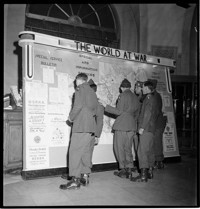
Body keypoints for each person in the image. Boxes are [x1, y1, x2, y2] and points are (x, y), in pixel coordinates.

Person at [60, 73, 98, 190]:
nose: (75, 82)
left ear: (79, 80)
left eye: (75, 80)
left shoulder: (80, 89)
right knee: (85, 153)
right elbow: (95, 110)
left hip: (81, 126)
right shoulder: (92, 92)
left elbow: (77, 106)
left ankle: (75, 181)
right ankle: (85, 177)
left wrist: (70, 118)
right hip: (90, 127)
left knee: (74, 152)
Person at [100, 79, 140, 179]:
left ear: (121, 88)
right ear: (129, 87)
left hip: (122, 126)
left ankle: (123, 170)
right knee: (128, 148)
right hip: (131, 126)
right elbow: (137, 114)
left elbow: (118, 111)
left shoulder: (122, 95)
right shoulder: (136, 97)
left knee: (119, 148)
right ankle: (130, 168)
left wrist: (106, 105)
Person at [131, 80, 160, 182]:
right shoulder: (154, 98)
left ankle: (143, 175)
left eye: (143, 87)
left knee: (142, 151)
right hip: (152, 129)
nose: (142, 89)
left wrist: (142, 127)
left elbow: (147, 114)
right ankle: (150, 172)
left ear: (147, 88)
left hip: (146, 129)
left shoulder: (148, 98)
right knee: (150, 151)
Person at [148, 79, 167, 169]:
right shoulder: (154, 95)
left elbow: (155, 111)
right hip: (156, 123)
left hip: (157, 123)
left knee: (157, 143)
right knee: (155, 143)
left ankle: (159, 162)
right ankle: (157, 161)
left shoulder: (155, 96)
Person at [88, 79, 104, 167]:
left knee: (85, 152)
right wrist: (97, 135)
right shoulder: (99, 103)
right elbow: (100, 120)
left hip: (87, 132)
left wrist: (97, 136)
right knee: (88, 152)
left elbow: (99, 120)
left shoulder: (84, 102)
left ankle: (83, 173)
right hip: (91, 132)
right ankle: (84, 174)